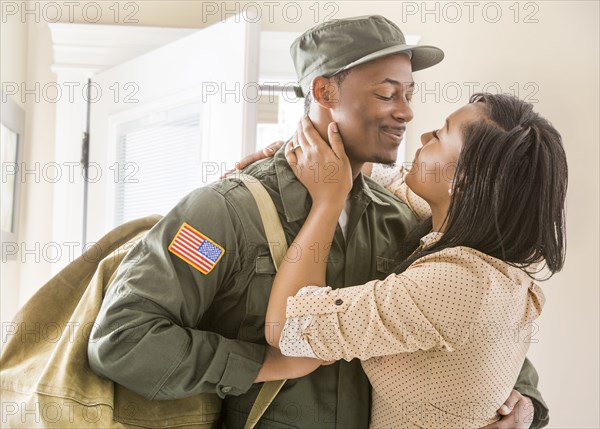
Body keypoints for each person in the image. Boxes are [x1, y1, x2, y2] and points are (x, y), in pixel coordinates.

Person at [88, 16, 549, 428]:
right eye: (387, 93)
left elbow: (472, 317)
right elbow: (123, 340)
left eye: (409, 94)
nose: (407, 112)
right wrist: (265, 362)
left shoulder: (404, 215)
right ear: (325, 92)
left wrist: (523, 398)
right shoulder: (224, 212)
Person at [262, 93, 567, 428]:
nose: (422, 136)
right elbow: (383, 183)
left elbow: (288, 326)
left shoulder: (456, 284)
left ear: (462, 180)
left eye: (438, 135)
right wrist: (283, 160)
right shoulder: (478, 239)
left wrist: (327, 202)